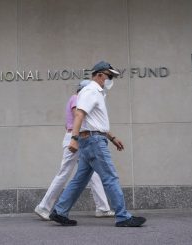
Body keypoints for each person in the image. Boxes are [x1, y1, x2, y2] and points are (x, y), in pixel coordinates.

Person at [49, 61, 146, 227]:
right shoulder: (91, 91)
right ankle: (123, 217)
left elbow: (94, 122)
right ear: (99, 74)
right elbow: (79, 114)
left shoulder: (96, 92)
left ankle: (59, 211)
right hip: (94, 141)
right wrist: (74, 138)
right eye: (109, 76)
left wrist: (112, 138)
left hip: (92, 139)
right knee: (110, 177)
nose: (111, 80)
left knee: (80, 180)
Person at [34, 80, 114, 220]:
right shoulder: (77, 98)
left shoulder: (79, 98)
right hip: (75, 138)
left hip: (80, 138)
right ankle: (43, 207)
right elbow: (80, 118)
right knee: (64, 173)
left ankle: (103, 208)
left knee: (93, 174)